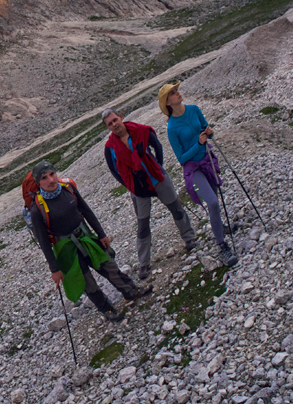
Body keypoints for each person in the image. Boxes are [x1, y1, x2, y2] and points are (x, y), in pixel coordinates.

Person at [27, 160, 150, 322]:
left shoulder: (68, 189)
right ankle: (107, 309)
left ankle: (131, 292)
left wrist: (101, 234)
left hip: (85, 237)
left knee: (108, 266)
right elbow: (44, 242)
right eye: (44, 177)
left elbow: (86, 210)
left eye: (52, 174)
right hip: (66, 250)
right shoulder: (37, 209)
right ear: (38, 182)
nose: (51, 180)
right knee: (87, 283)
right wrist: (54, 269)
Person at [102, 107, 197, 281]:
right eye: (110, 124)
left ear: (121, 117)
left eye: (115, 120)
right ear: (107, 127)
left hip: (157, 178)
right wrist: (130, 185)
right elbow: (115, 172)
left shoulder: (142, 131)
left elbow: (157, 146)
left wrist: (158, 167)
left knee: (175, 207)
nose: (114, 125)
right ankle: (144, 262)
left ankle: (189, 238)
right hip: (138, 188)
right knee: (143, 224)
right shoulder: (110, 148)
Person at [159, 82, 238, 267]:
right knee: (212, 202)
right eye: (173, 93)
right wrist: (199, 144)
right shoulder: (172, 128)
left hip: (207, 160)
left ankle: (221, 228)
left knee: (214, 203)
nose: (178, 93)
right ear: (168, 102)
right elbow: (182, 158)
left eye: (176, 90)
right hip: (193, 169)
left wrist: (209, 132)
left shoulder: (194, 109)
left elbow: (206, 129)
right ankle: (222, 246)